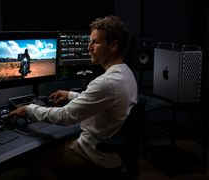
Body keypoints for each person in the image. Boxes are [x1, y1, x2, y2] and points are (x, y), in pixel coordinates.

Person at [8, 15, 137, 179]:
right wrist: (70, 95)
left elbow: (65, 116)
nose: (89, 47)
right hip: (111, 150)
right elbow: (101, 100)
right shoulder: (125, 73)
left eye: (95, 42)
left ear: (113, 45)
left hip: (95, 153)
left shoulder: (106, 82)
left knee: (33, 158)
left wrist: (29, 109)